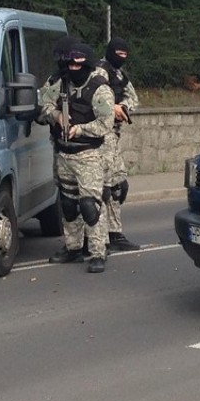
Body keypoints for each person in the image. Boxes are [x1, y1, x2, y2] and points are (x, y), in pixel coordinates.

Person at [39, 38, 115, 273]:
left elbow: (105, 123)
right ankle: (72, 248)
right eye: (70, 65)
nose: (74, 70)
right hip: (63, 153)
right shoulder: (59, 84)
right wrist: (57, 117)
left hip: (88, 155)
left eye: (78, 66)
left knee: (90, 206)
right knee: (68, 204)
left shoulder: (99, 88)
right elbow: (43, 103)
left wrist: (79, 129)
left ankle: (97, 252)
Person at [98, 37, 140, 251]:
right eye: (118, 54)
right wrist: (110, 107)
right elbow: (89, 100)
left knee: (118, 186)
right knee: (102, 188)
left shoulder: (119, 75)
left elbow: (133, 98)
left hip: (114, 136)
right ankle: (98, 238)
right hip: (100, 137)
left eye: (125, 55)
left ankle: (115, 233)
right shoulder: (98, 72)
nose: (121, 58)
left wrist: (122, 106)